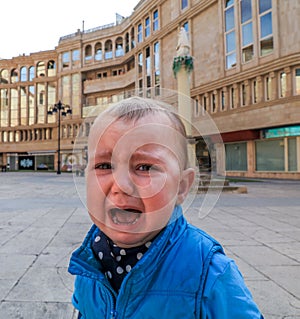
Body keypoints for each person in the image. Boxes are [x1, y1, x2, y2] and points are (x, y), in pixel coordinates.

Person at [68, 96, 264, 318]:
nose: (121, 185)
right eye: (104, 165)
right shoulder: (89, 263)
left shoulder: (208, 272)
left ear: (181, 187)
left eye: (144, 167)